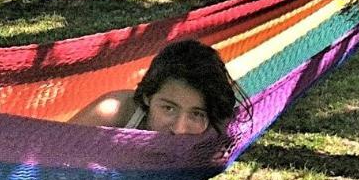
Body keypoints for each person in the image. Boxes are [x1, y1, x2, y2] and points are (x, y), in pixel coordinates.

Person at [70, 39, 244, 135]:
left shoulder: (215, 125)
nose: (178, 129)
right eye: (168, 108)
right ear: (148, 96)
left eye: (196, 113)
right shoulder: (113, 112)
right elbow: (52, 153)